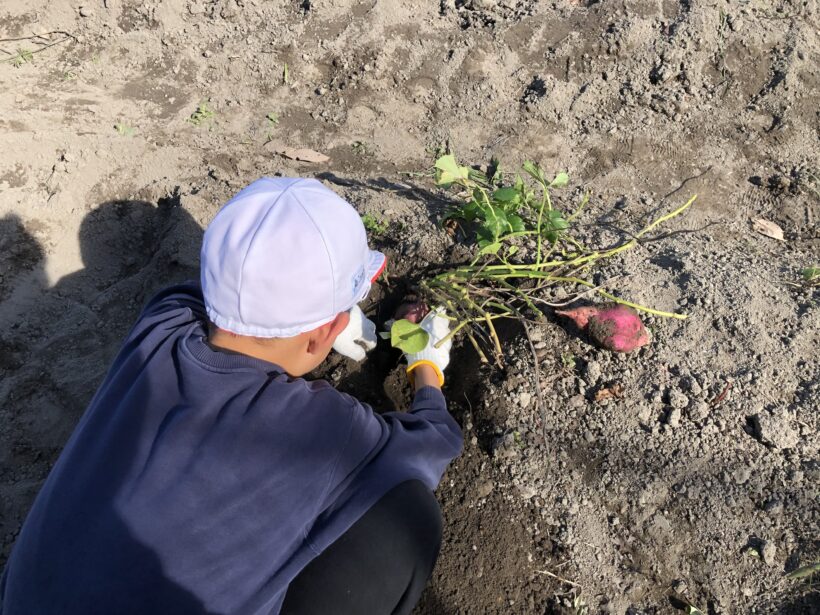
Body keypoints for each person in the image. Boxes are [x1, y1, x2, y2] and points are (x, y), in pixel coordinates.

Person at [0, 178, 463, 615]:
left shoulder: (162, 323)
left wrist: (325, 326)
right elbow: (433, 442)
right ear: (322, 334)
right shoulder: (326, 431)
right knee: (408, 516)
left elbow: (204, 298)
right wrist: (425, 363)